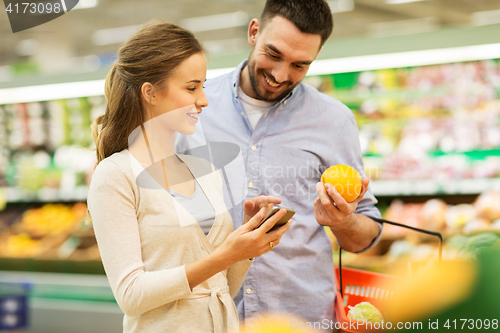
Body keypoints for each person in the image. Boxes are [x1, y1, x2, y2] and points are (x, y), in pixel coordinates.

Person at [176, 0, 383, 328]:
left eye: (300, 65)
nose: (280, 75)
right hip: (212, 316)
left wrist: (343, 221)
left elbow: (364, 237)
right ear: (254, 32)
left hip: (302, 318)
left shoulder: (334, 121)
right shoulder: (194, 108)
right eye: (273, 54)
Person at [87, 20, 291, 333]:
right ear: (150, 93)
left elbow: (218, 289)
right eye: (192, 87)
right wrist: (224, 255)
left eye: (204, 86)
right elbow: (131, 295)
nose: (204, 100)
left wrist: (248, 245)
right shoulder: (115, 175)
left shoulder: (201, 170)